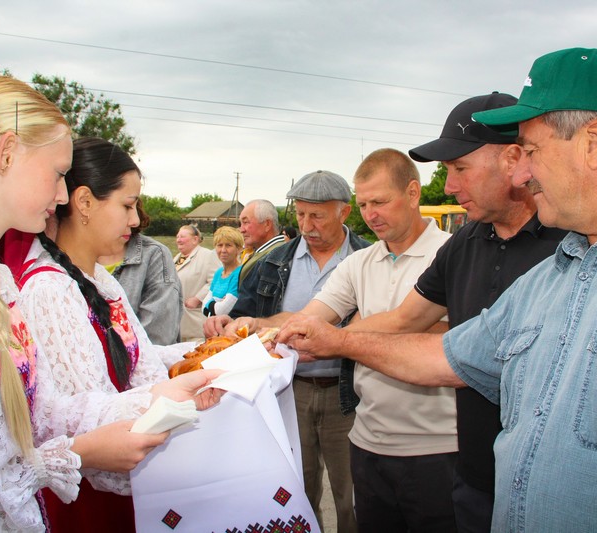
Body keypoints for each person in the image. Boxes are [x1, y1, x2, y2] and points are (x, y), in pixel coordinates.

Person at [278, 48, 597, 531]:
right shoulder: (559, 271)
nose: (521, 173)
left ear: (593, 142)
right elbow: (448, 357)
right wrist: (334, 340)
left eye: (531, 150)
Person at [0, 73, 220, 532]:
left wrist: (161, 394)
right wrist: (79, 453)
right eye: (57, 173)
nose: (61, 197)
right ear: (7, 153)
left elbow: (44, 411)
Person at [343, 92, 568, 532]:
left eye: (459, 168)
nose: (448, 186)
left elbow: (460, 356)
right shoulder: (464, 242)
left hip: (543, 487)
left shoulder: (570, 244)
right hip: (473, 478)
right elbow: (405, 319)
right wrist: (321, 335)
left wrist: (338, 340)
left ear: (514, 158)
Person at [220, 152, 458, 531]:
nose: (371, 214)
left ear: (413, 192)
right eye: (364, 204)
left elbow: (460, 340)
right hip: (368, 441)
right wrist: (257, 326)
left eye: (379, 201)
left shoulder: (453, 253)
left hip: (436, 447)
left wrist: (344, 338)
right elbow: (310, 318)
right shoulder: (359, 264)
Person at [15, 136, 221, 532]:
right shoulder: (49, 290)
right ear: (85, 202)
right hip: (86, 495)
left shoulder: (99, 282)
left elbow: (140, 358)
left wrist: (206, 353)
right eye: (127, 205)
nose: (135, 220)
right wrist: (181, 394)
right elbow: (84, 418)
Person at [207, 170, 369, 532]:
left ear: (344, 213)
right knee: (295, 489)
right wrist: (226, 323)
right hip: (287, 393)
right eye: (300, 215)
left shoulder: (367, 259)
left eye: (318, 215)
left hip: (348, 395)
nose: (306, 225)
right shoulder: (271, 261)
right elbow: (244, 314)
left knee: (352, 496)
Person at [99, 198, 183, 345]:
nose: (135, 220)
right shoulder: (64, 258)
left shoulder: (154, 255)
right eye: (125, 206)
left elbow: (158, 339)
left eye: (132, 206)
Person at [174, 224, 220, 341]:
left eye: (182, 236)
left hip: (196, 324)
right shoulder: (176, 258)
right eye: (177, 236)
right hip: (178, 325)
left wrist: (197, 298)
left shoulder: (208, 255)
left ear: (195, 239)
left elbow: (217, 281)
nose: (178, 239)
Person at [237, 199, 284, 282]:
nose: (241, 230)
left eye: (246, 222)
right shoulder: (265, 252)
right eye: (241, 224)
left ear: (267, 224)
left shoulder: (275, 258)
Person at [202, 225, 244, 317]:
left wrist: (211, 303)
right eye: (220, 245)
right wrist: (216, 303)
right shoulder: (218, 272)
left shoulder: (239, 273)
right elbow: (203, 307)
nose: (223, 250)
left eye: (228, 245)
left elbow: (222, 310)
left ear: (239, 249)